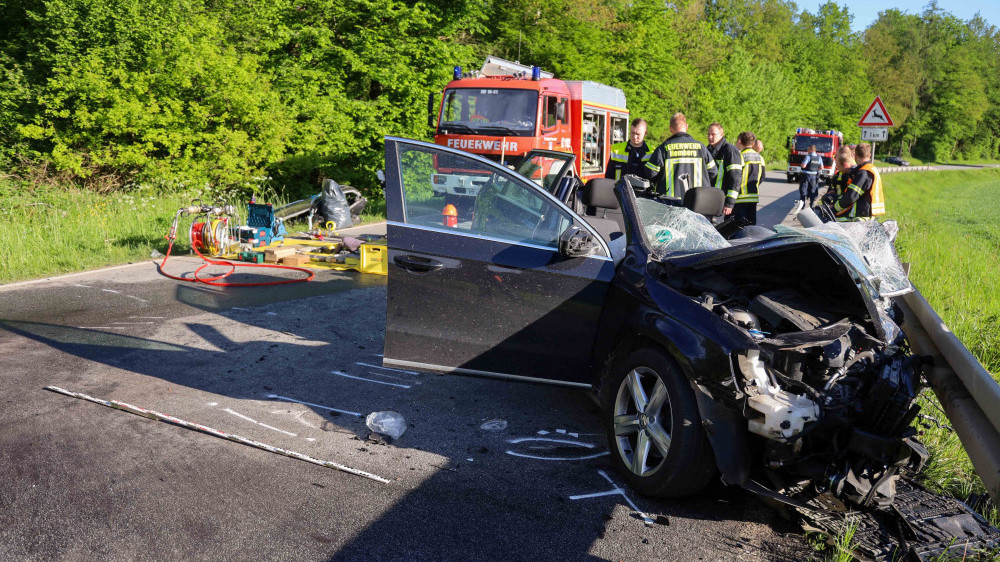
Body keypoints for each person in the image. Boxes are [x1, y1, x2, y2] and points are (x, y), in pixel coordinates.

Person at [645, 113, 717, 198]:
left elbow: (650, 173)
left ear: (671, 129)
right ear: (686, 126)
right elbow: (713, 171)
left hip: (670, 203)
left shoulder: (664, 148)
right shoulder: (701, 147)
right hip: (698, 202)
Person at [832, 143, 885, 221]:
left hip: (860, 215)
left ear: (855, 156)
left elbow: (851, 196)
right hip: (867, 214)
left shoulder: (863, 173)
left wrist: (834, 208)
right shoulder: (872, 169)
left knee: (830, 221)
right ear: (869, 155)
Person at [706, 123, 744, 216]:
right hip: (709, 198)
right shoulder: (708, 150)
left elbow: (736, 178)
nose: (710, 137)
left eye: (713, 134)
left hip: (722, 200)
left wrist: (729, 203)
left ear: (721, 134)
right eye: (708, 134)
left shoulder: (730, 150)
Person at [732, 132, 765, 225]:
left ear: (740, 142)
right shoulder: (760, 157)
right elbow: (762, 176)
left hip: (741, 197)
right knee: (751, 225)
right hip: (753, 196)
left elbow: (735, 176)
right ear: (753, 143)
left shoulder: (740, 156)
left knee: (740, 226)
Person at [606, 118, 654, 182]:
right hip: (620, 190)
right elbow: (609, 176)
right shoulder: (616, 150)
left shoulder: (652, 152)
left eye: (638, 134)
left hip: (643, 191)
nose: (634, 137)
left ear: (645, 133)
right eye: (632, 133)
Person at [798, 144, 823, 210]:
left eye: (808, 149)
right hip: (814, 176)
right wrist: (815, 169)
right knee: (813, 190)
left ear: (812, 149)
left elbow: (803, 166)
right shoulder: (819, 157)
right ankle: (812, 204)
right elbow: (821, 167)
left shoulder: (808, 157)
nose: (807, 150)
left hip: (806, 175)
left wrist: (801, 164)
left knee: (803, 190)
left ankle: (802, 205)